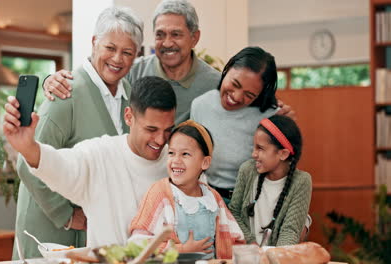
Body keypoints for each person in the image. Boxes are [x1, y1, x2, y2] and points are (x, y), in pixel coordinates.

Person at [12, 7, 143, 259]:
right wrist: (67, 215)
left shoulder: (129, 94)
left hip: (95, 230)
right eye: (110, 48)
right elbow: (26, 161)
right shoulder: (65, 93)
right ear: (94, 43)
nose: (117, 59)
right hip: (52, 231)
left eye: (127, 52)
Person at [3, 76, 177, 248]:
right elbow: (59, 166)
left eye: (168, 130)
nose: (161, 140)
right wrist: (27, 147)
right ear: (129, 117)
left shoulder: (177, 163)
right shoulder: (100, 155)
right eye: (151, 129)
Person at [42, 0, 220, 121]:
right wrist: (52, 81)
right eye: (160, 34)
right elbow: (94, 76)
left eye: (176, 34)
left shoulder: (215, 84)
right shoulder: (131, 70)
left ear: (194, 38)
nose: (167, 43)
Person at [128, 120, 244, 259]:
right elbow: (137, 244)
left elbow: (234, 238)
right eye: (171, 153)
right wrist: (180, 249)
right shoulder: (160, 193)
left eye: (185, 154)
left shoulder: (212, 197)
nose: (176, 160)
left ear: (205, 162)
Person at [190, 47, 279, 204]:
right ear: (227, 69)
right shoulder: (200, 105)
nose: (237, 97)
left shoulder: (270, 117)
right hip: (206, 198)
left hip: (250, 204)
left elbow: (281, 175)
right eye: (235, 84)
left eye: (249, 95)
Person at [228, 115, 312, 246]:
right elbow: (234, 213)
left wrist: (275, 256)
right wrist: (251, 245)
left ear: (283, 154)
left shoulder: (301, 181)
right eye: (254, 147)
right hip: (247, 254)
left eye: (260, 148)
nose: (254, 154)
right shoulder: (247, 170)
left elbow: (290, 230)